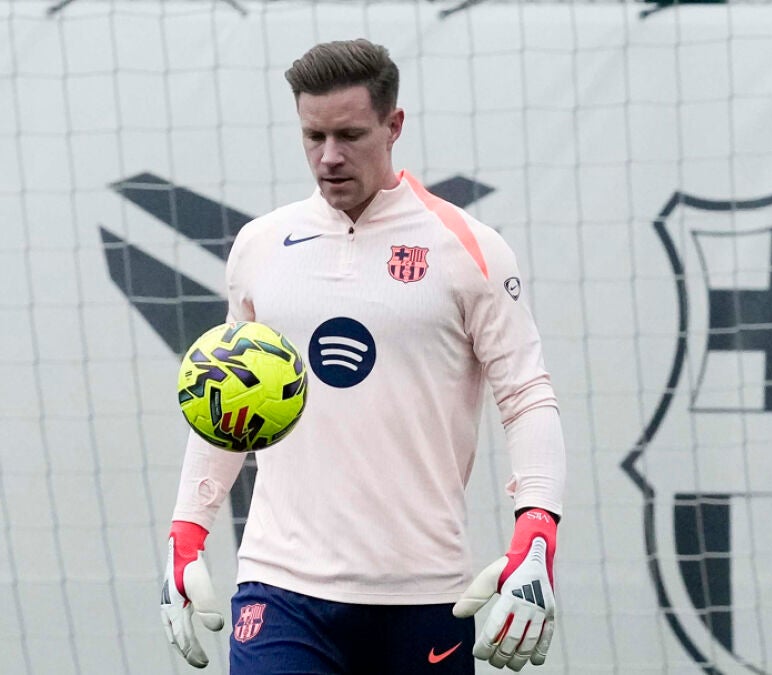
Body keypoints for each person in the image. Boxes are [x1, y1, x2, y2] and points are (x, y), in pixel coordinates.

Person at [159, 39, 566, 674]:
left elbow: (527, 396)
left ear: (393, 125)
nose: (329, 156)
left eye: (349, 135)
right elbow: (227, 398)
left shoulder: (468, 248)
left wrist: (536, 533)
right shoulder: (260, 245)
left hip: (424, 593)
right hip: (280, 587)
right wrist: (187, 531)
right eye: (313, 136)